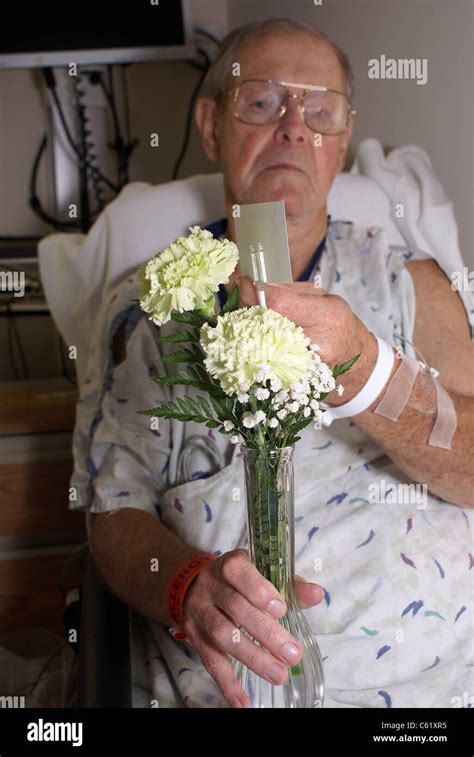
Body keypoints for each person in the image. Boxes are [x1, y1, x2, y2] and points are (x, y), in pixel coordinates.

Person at [71, 19, 474, 709]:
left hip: (429, 686)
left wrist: (367, 371)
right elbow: (114, 510)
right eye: (261, 102)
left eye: (320, 110)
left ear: (343, 139)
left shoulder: (411, 283)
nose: (294, 127)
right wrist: (184, 581)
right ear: (210, 123)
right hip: (223, 688)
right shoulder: (153, 307)